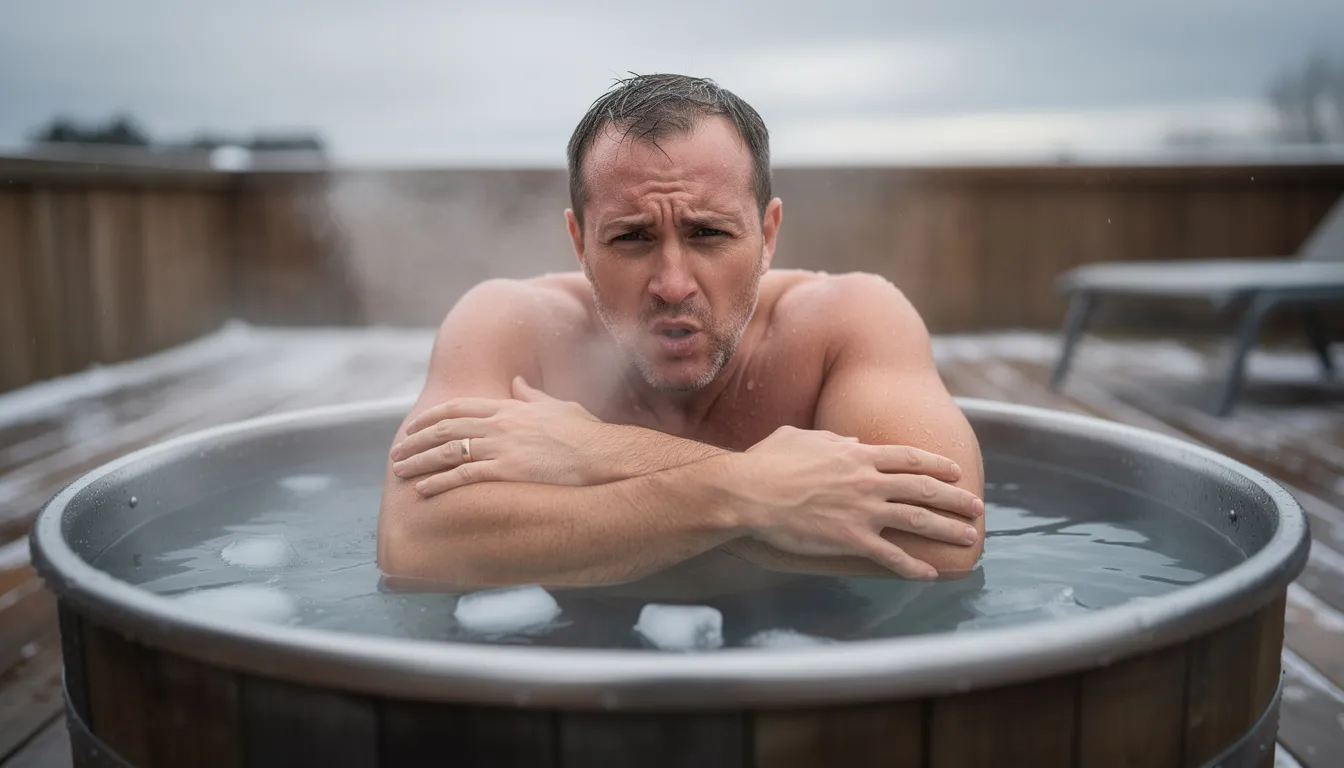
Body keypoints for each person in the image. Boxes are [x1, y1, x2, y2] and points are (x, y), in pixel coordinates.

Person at [376, 74, 985, 590]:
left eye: (709, 234)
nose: (672, 283)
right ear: (580, 243)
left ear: (767, 235)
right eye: (632, 237)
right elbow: (413, 543)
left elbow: (942, 542)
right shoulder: (511, 325)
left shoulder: (845, 319)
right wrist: (752, 496)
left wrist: (600, 451)